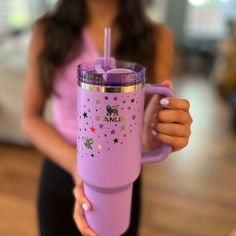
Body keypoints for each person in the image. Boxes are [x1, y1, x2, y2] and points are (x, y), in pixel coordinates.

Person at [21, 0, 192, 236]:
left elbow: (142, 129)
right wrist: (77, 164)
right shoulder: (46, 31)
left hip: (121, 174)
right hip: (59, 165)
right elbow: (29, 118)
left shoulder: (158, 37)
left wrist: (156, 133)